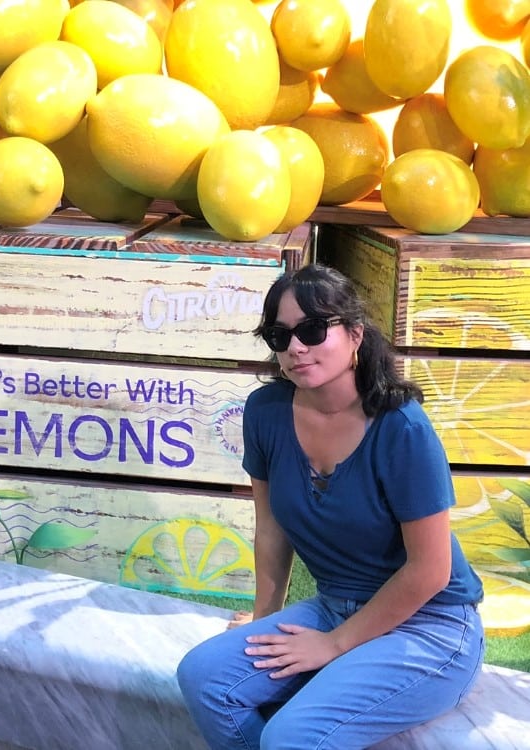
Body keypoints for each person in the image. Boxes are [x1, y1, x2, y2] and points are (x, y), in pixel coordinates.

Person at [177, 263, 485, 750]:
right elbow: (272, 528)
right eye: (280, 335)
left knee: (292, 735)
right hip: (333, 607)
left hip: (431, 626)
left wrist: (333, 645)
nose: (296, 347)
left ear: (355, 335)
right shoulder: (266, 413)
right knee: (204, 676)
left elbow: (431, 572)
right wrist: (264, 615)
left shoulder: (400, 427)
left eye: (313, 330)